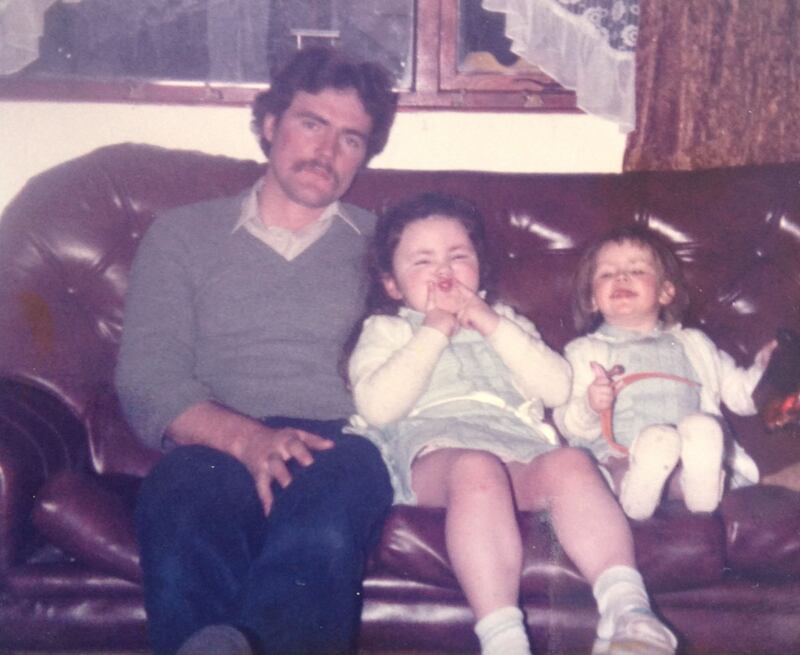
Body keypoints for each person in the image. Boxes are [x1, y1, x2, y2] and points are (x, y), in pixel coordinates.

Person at [114, 47, 398, 655]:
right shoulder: (181, 235)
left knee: (324, 526)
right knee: (184, 508)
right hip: (215, 441)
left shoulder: (388, 248)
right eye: (312, 124)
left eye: (350, 139)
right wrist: (248, 441)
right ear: (270, 124)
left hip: (343, 442)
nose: (327, 151)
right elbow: (147, 379)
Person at [346, 193, 677, 655]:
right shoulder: (389, 330)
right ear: (392, 285)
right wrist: (434, 329)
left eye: (458, 256)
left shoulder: (503, 322)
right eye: (422, 261)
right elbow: (378, 406)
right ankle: (504, 640)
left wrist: (490, 324)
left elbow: (557, 388)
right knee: (476, 468)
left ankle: (628, 612)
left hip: (518, 447)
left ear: (479, 267)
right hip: (435, 454)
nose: (444, 271)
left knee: (571, 462)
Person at [554, 224, 776, 521]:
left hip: (688, 457)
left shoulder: (695, 345)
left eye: (637, 270)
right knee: (612, 472)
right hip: (618, 457)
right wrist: (592, 406)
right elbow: (569, 425)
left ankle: (699, 491)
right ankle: (635, 497)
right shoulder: (584, 352)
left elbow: (742, 396)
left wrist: (765, 368)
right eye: (606, 274)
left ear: (665, 291)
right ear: (592, 299)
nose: (621, 277)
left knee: (700, 435)